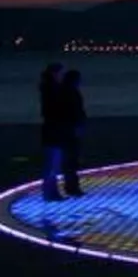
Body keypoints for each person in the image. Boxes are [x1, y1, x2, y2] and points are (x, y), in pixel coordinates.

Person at [38, 63, 67, 202]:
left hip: (52, 129)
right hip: (53, 130)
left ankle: (51, 191)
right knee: (52, 162)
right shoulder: (51, 89)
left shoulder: (48, 88)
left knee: (53, 162)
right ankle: (50, 192)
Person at [59, 69, 87, 198]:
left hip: (66, 129)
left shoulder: (64, 92)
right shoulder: (71, 93)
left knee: (70, 159)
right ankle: (72, 187)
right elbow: (76, 111)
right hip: (70, 130)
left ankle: (71, 186)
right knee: (71, 159)